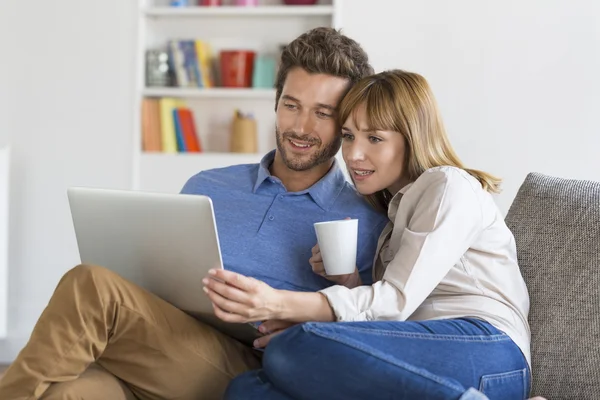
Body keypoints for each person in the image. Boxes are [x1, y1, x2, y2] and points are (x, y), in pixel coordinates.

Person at [0, 27, 389, 400]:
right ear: (276, 104)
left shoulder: (366, 217)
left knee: (94, 287)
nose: (301, 127)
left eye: (323, 113)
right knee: (68, 393)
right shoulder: (208, 185)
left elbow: (377, 330)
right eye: (291, 106)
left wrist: (321, 311)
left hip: (252, 365)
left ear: (347, 122)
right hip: (158, 348)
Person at [201, 70, 532, 400]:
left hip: (487, 350)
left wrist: (277, 303)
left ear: (412, 136)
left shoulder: (449, 186)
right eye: (348, 136)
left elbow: (395, 302)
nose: (353, 154)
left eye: (374, 138)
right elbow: (391, 317)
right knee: (248, 390)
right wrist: (347, 281)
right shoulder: (392, 219)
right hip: (415, 351)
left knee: (292, 347)